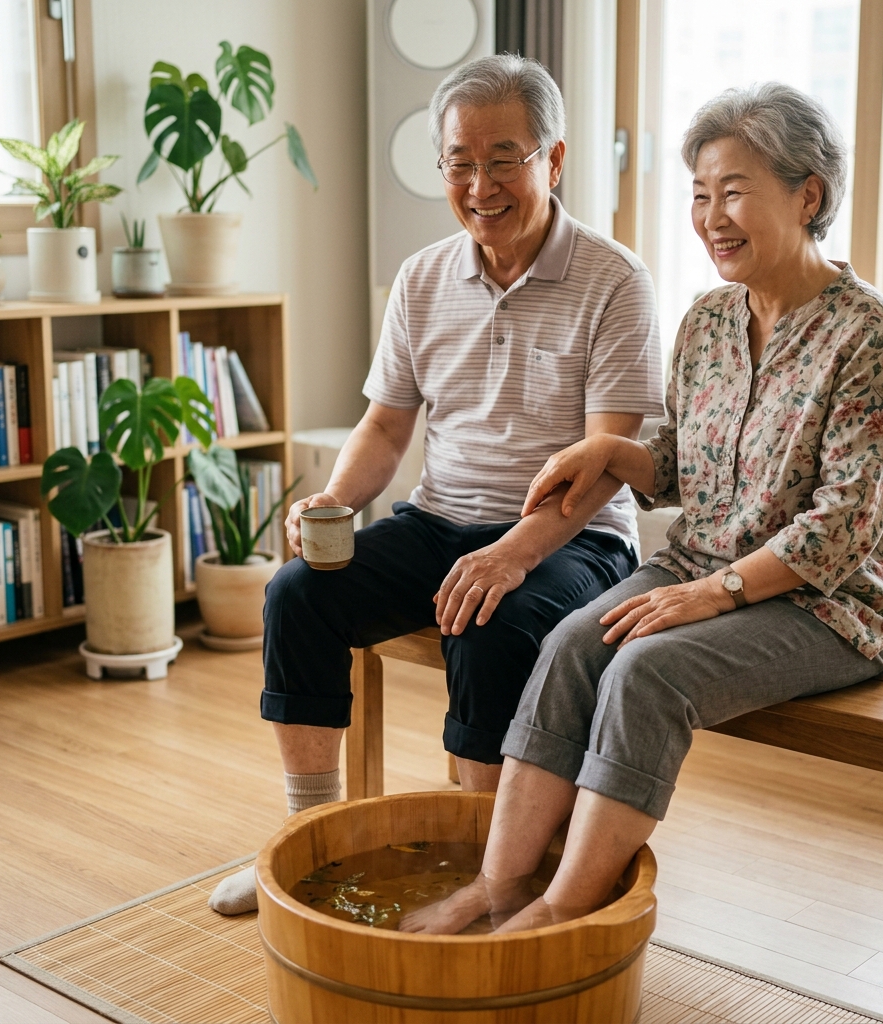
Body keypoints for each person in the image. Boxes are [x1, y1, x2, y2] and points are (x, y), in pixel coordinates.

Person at [400, 81, 883, 936]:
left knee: (647, 672)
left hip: (826, 605)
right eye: (699, 194)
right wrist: (612, 452)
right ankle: (498, 888)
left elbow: (845, 526)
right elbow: (682, 461)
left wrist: (709, 596)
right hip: (701, 567)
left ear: (809, 195)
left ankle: (566, 908)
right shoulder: (710, 320)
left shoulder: (868, 332)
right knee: (571, 644)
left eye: (733, 192)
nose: (711, 215)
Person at [208, 54, 664, 915]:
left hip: (575, 538)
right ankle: (314, 841)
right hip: (439, 517)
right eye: (461, 160)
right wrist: (336, 501)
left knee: (490, 623)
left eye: (506, 158)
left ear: (553, 159)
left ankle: (483, 868)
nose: (480, 182)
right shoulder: (422, 278)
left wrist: (509, 556)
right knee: (297, 593)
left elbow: (608, 458)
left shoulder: (615, 280)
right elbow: (386, 425)